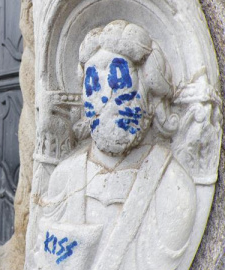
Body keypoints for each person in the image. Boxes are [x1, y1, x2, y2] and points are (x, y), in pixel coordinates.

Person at [32, 21, 196, 270]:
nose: (104, 98)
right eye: (94, 84)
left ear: (149, 93)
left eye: (118, 81)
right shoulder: (64, 177)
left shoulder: (172, 187)